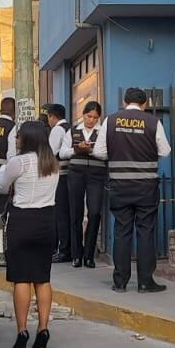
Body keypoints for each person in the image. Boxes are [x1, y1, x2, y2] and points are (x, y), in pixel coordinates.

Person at [93, 88, 171, 292]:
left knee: (121, 231)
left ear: (124, 102)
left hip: (119, 186)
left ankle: (120, 281)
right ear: (144, 104)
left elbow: (99, 152)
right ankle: (145, 282)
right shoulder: (153, 122)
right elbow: (165, 151)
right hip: (146, 187)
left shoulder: (111, 120)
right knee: (145, 232)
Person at [0, 121, 62, 348]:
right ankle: (43, 328)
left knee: (21, 278)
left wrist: (4, 170)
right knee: (42, 279)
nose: (16, 140)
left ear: (27, 139)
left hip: (22, 221)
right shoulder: (52, 162)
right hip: (46, 221)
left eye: (18, 137)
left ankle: (22, 330)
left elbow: (2, 188)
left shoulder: (19, 162)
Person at [66, 102, 107, 268]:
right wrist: (77, 149)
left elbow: (106, 154)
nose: (91, 120)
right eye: (88, 116)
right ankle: (76, 254)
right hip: (76, 173)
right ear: (83, 115)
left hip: (96, 175)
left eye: (95, 117)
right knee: (75, 212)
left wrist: (91, 150)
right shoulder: (73, 130)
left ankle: (89, 255)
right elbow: (62, 152)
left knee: (95, 212)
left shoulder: (102, 132)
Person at [43, 104, 76, 263]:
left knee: (60, 214)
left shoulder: (57, 129)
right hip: (70, 175)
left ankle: (63, 250)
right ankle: (68, 248)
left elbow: (51, 152)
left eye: (48, 117)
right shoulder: (70, 127)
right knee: (68, 213)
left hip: (60, 175)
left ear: (52, 116)